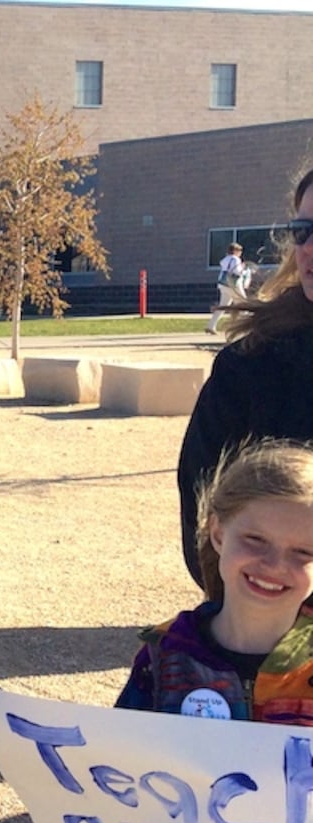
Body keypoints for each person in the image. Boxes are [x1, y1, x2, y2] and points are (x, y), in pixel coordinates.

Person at [0, 438, 313, 730]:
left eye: (303, 551)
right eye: (255, 539)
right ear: (218, 533)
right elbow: (115, 755)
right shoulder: (166, 653)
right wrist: (7, 721)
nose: (274, 565)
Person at [177, 168, 313, 585]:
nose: (310, 249)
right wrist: (241, 610)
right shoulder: (252, 363)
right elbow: (201, 498)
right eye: (303, 231)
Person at [206, 242, 249, 335]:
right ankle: (246, 327)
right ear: (235, 251)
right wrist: (244, 271)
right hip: (234, 285)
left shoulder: (225, 259)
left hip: (223, 284)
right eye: (240, 250)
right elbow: (237, 272)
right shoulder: (236, 259)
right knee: (244, 305)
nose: (240, 253)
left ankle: (211, 325)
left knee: (223, 305)